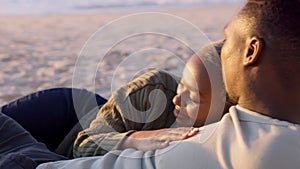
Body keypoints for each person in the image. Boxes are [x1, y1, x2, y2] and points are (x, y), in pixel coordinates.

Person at [36, 0, 300, 168]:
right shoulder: (152, 91)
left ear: (226, 106)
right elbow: (81, 144)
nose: (178, 98)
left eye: (194, 97)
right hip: (66, 115)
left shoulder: (233, 129)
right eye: (181, 86)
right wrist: (141, 138)